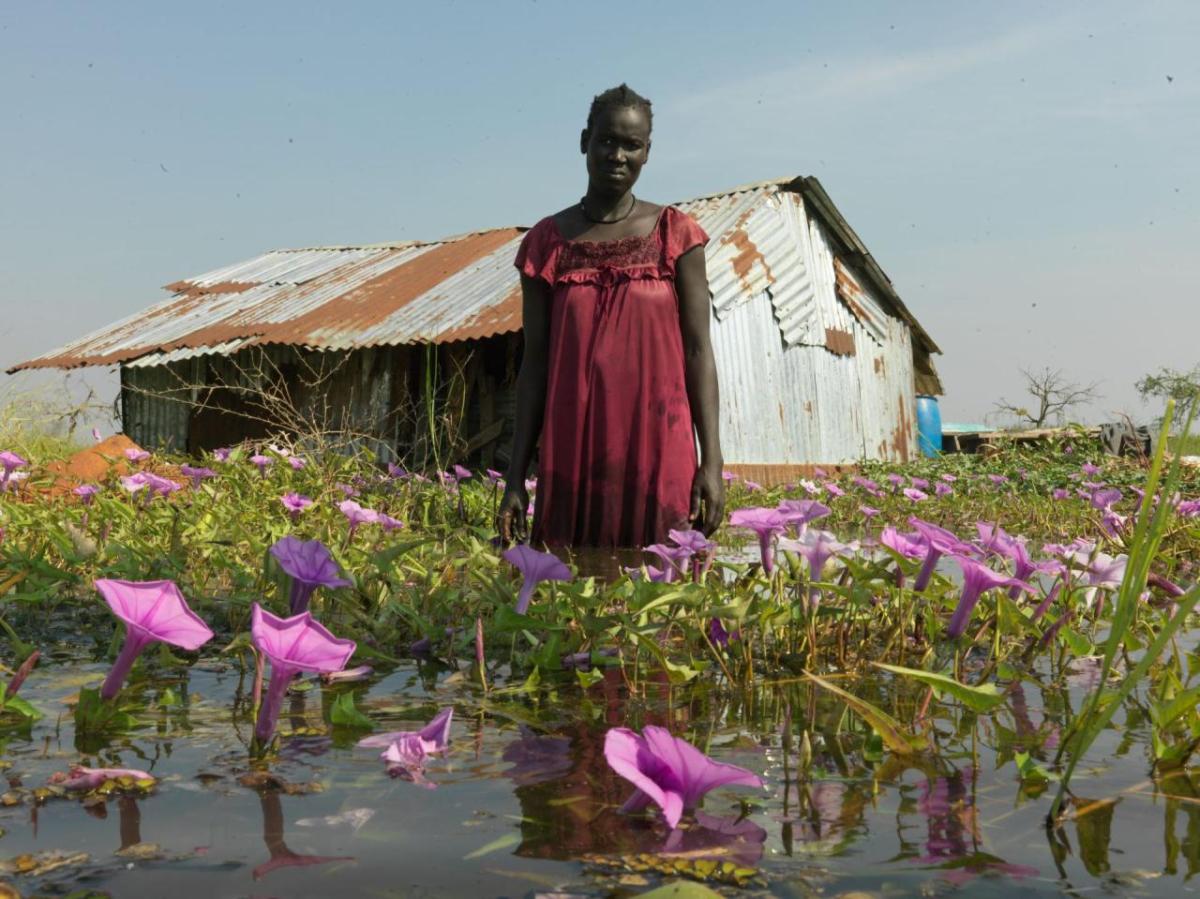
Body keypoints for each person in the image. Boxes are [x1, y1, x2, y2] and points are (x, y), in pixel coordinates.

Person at [496, 84, 724, 549]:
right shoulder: (547, 243)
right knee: (570, 595)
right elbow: (534, 365)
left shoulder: (675, 235)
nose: (616, 155)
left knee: (663, 589)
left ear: (647, 153)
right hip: (573, 445)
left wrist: (712, 463)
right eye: (606, 141)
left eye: (631, 145)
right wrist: (515, 477)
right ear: (585, 140)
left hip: (659, 443)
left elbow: (699, 351)